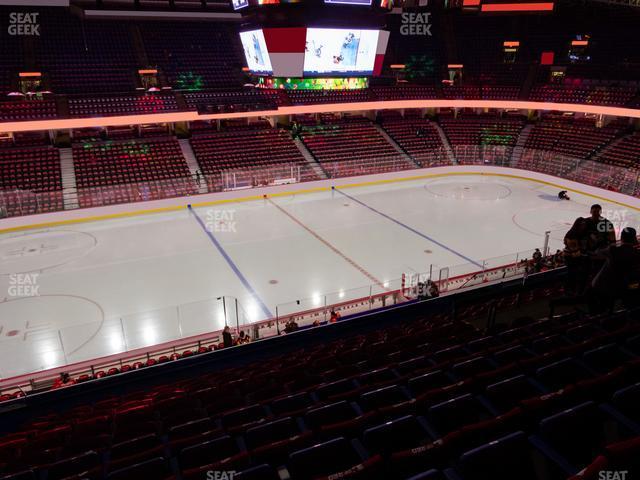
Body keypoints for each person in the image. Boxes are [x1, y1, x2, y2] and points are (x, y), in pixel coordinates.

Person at [591, 227, 640, 310]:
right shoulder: (637, 254)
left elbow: (596, 253)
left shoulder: (613, 250)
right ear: (634, 239)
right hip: (620, 288)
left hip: (601, 286)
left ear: (621, 238)